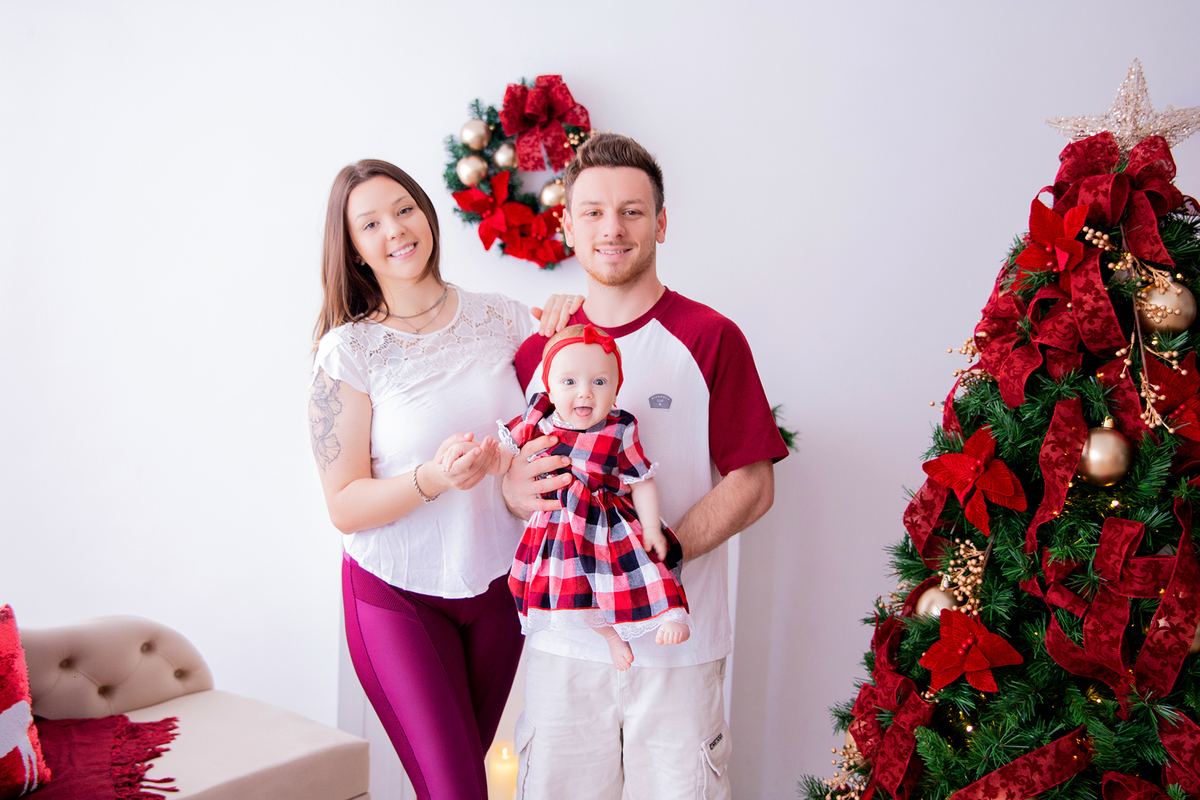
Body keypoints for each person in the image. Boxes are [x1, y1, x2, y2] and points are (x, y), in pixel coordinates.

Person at [501, 133, 789, 800]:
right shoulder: (534, 355)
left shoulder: (709, 336)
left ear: (660, 223)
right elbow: (515, 485)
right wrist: (514, 491)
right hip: (563, 643)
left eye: (633, 211)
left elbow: (753, 482)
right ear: (567, 224)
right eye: (594, 211)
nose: (613, 228)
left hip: (677, 644)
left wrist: (658, 559)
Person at [308, 158, 580, 800]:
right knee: (460, 791)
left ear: (427, 214)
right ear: (353, 249)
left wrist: (573, 313)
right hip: (396, 597)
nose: (395, 230)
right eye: (369, 223)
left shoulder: (505, 318)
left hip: (497, 589)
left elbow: (575, 397)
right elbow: (344, 506)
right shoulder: (348, 352)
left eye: (403, 209)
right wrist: (431, 477)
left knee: (455, 786)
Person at [446, 323, 691, 670]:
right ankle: (610, 637)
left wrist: (651, 526)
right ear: (549, 386)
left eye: (599, 382)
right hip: (559, 521)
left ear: (617, 388)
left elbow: (641, 480)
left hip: (607, 518)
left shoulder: (620, 427)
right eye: (570, 382)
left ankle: (672, 613)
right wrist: (482, 458)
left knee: (647, 563)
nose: (585, 393)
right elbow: (506, 457)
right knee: (577, 589)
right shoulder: (539, 419)